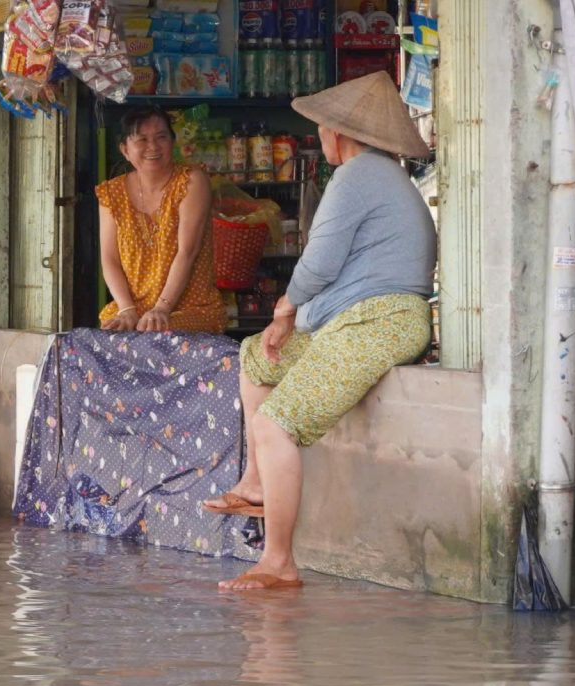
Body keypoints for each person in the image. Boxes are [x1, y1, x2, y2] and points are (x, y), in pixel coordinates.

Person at [202, 71, 436, 591]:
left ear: (337, 132)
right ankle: (259, 481)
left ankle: (279, 561)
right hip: (360, 319)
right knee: (255, 356)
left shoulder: (359, 175)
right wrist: (291, 320)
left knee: (276, 423)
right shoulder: (380, 174)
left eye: (322, 129)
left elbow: (319, 260)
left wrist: (285, 307)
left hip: (381, 321)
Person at [96, 106, 226, 334]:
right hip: (134, 311)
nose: (153, 147)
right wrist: (126, 308)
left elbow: (188, 251)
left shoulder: (192, 181)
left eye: (161, 137)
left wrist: (162, 308)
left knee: (156, 334)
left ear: (172, 142)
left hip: (190, 309)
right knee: (107, 336)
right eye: (142, 139)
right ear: (125, 149)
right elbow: (109, 260)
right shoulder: (111, 192)